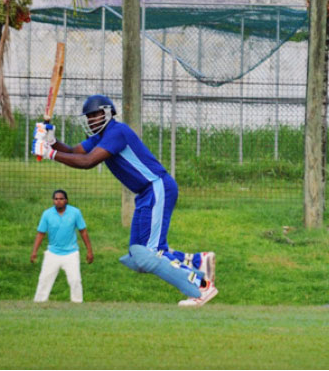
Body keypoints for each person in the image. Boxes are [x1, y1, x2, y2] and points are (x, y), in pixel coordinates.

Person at [32, 95, 217, 307]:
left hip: (157, 187)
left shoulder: (116, 132)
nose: (92, 120)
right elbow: (75, 152)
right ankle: (198, 261)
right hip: (146, 193)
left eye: (96, 115)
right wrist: (52, 141)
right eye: (89, 116)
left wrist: (50, 153)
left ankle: (202, 287)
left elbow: (87, 161)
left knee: (149, 254)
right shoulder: (99, 138)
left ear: (108, 113)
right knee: (138, 255)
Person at [30, 190, 93, 303]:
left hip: (71, 253)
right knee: (44, 279)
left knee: (75, 280)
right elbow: (41, 234)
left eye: (61, 199)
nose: (58, 201)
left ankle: (77, 303)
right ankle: (39, 302)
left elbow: (83, 231)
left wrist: (89, 251)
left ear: (66, 200)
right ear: (53, 201)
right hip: (52, 253)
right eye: (56, 199)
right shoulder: (47, 214)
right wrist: (34, 251)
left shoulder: (75, 212)